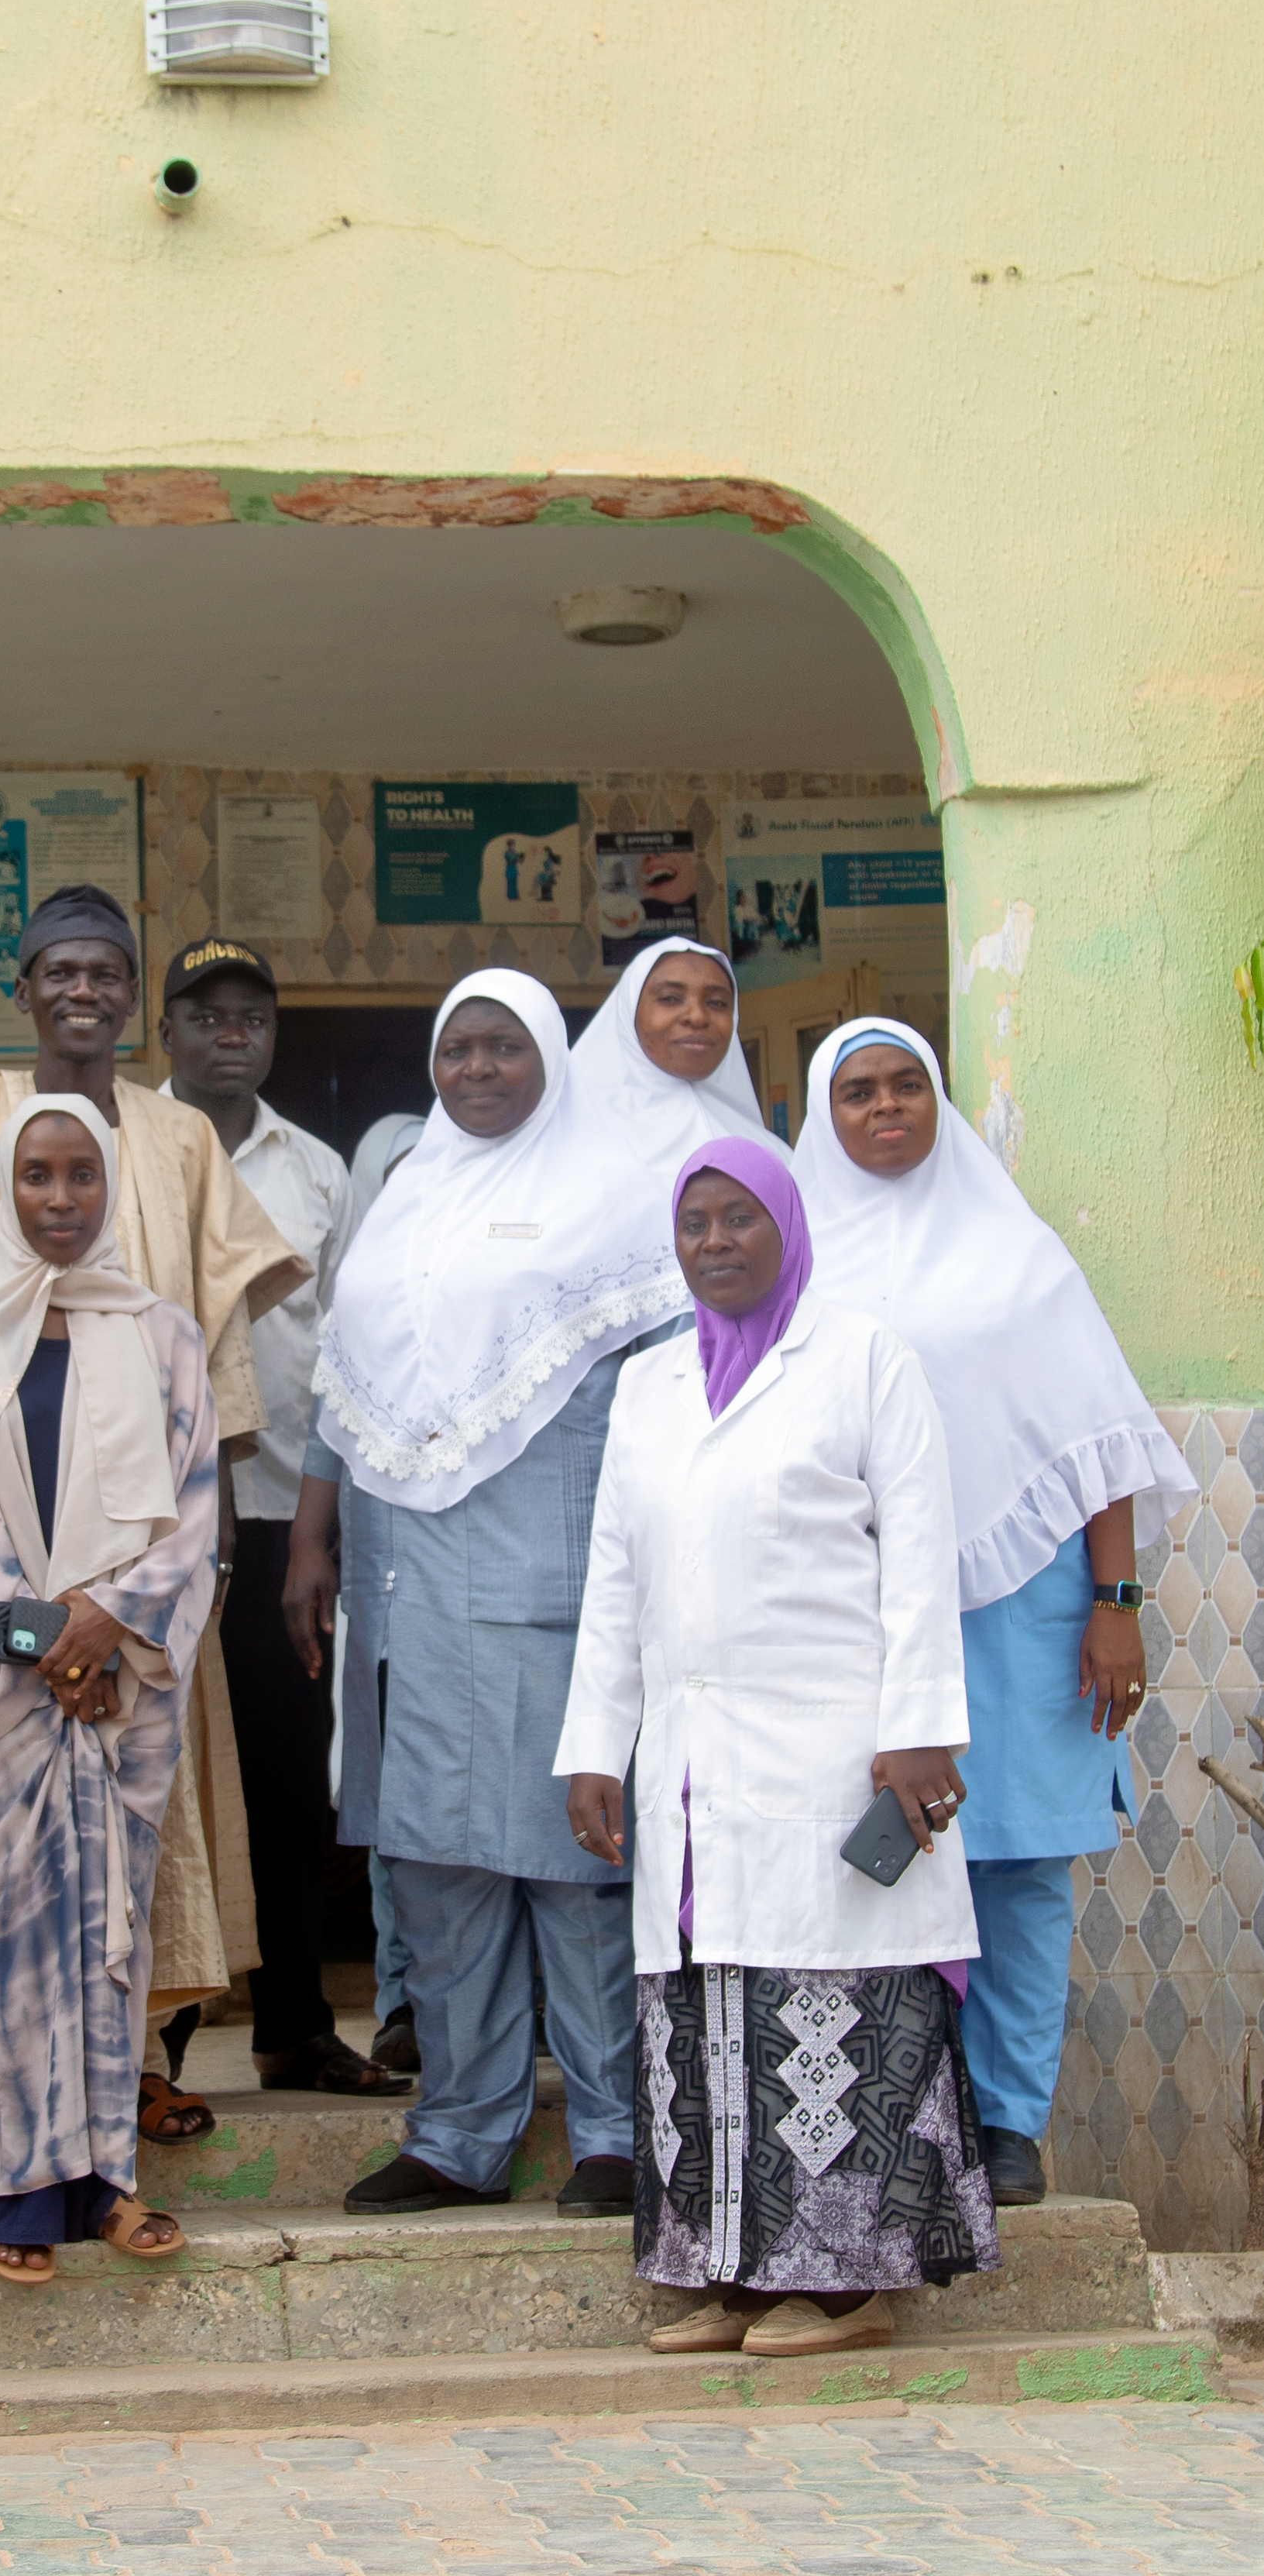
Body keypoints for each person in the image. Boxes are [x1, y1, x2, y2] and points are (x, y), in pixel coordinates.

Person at [0, 882, 307, 2141]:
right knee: (1, 1794)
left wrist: (206, 1541)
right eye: (57, 970)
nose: (82, 991)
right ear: (20, 989)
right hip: (3, 1537)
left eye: (105, 972)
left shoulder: (178, 1142)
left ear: (131, 995)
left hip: (149, 1550)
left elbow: (216, 1342)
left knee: (154, 1795)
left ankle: (140, 2060)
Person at [560, 1137, 998, 2360]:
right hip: (691, 1759)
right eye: (693, 1221)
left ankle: (848, 2285)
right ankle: (736, 2276)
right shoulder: (645, 1385)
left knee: (832, 1988)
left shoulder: (863, 1359)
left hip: (831, 1745)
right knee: (713, 1996)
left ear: (786, 1227)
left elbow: (917, 1555)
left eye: (737, 1218)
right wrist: (595, 1742)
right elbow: (613, 1580)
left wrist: (914, 1734)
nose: (712, 1242)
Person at [284, 970, 692, 2220]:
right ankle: (457, 2134)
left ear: (549, 1060)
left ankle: (615, 2135)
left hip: (550, 1584)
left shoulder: (611, 1200)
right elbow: (337, 1381)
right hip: (403, 1590)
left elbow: (668, 1399)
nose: (474, 1070)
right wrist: (312, 1540)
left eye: (502, 1047)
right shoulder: (404, 1195)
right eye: (454, 1048)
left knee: (573, 1871)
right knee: (436, 1872)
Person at [794, 1021, 1195, 2207]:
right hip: (862, 1607)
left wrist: (1115, 1603)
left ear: (936, 1100)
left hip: (1028, 1606)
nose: (883, 1108)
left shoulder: (1019, 1258)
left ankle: (1005, 2126)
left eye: (905, 1085)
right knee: (879, 1860)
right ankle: (905, 2112)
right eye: (856, 1091)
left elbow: (1093, 1441)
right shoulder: (795, 1262)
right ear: (822, 1114)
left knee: (1016, 1869)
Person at [0, 1096, 219, 2279]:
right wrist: (60, 1643)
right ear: (6, 1183)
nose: (56, 1198)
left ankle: (106, 2185)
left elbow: (192, 1523)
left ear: (109, 1187)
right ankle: (9, 2194)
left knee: (109, 1943)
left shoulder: (161, 1337)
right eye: (35, 1175)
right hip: (23, 1696)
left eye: (80, 1176)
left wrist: (112, 1628)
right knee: (14, 1946)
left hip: (121, 1694)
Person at [156, 937, 399, 2100]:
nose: (230, 1034)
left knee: (288, 1784)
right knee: (154, 1783)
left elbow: (343, 1360)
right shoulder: (113, 1146)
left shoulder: (316, 1173)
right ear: (168, 1034)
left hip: (273, 1527)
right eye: (206, 1017)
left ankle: (294, 2026)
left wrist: (317, 1536)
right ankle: (151, 2049)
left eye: (250, 1016)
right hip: (146, 1529)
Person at [339, 1113, 427, 2076]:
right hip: (384, 1585)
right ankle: (403, 1995)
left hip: (487, 1590)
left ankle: (505, 1997)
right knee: (393, 1799)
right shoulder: (353, 1299)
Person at [569, 937, 769, 1218]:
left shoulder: (769, 1152)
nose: (698, 1017)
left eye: (717, 1002)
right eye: (670, 999)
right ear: (629, 1012)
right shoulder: (579, 1137)